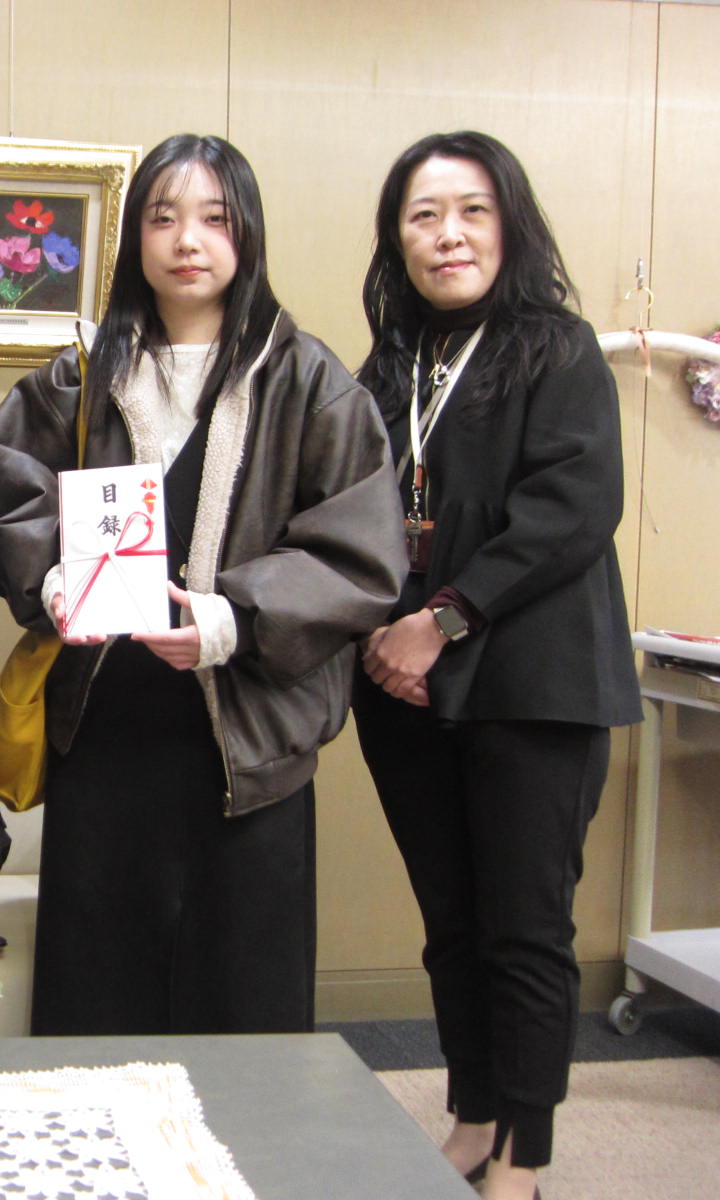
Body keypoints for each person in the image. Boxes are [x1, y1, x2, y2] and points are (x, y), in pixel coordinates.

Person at [0, 134, 405, 1036]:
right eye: (163, 217)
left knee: (242, 998)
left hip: (248, 738)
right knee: (98, 996)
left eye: (215, 218)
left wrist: (234, 617)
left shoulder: (309, 382)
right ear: (134, 238)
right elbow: (6, 486)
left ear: (248, 234)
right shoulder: (82, 374)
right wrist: (53, 581)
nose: (187, 240)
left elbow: (361, 554)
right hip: (105, 727)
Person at [353, 131, 640, 1200]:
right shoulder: (388, 367)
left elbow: (571, 510)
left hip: (530, 685)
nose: (449, 235)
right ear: (397, 238)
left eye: (471, 210)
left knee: (524, 930)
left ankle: (525, 1155)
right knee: (453, 926)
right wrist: (388, 635)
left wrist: (441, 621)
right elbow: (355, 518)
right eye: (424, 215)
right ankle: (473, 1117)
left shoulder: (557, 348)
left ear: (509, 223)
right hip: (404, 688)